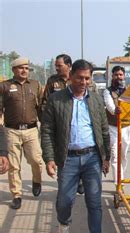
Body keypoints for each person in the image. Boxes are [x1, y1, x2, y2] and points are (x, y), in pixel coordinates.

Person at [41, 59, 110, 233]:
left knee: (95, 202)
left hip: (92, 158)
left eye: (87, 78)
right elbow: (47, 131)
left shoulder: (96, 100)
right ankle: (63, 223)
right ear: (70, 77)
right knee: (64, 200)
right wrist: (50, 158)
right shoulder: (56, 100)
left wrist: (105, 157)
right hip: (68, 159)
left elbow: (104, 130)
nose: (84, 82)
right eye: (80, 77)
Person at [0, 57, 44, 209]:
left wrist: (45, 124)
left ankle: (36, 181)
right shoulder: (4, 86)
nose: (24, 70)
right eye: (20, 68)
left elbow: (40, 107)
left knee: (36, 161)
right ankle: (16, 195)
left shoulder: (36, 85)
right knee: (14, 165)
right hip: (11, 130)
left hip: (31, 130)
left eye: (26, 68)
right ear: (13, 70)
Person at [41, 54, 85, 195]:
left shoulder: (77, 79)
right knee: (63, 154)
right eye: (56, 65)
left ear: (69, 66)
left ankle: (79, 180)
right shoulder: (52, 81)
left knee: (79, 150)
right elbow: (45, 102)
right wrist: (47, 120)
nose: (57, 68)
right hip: (59, 125)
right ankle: (65, 184)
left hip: (77, 124)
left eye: (59, 65)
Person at [103, 65, 130, 187]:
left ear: (124, 76)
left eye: (120, 75)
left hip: (126, 127)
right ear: (112, 76)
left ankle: (121, 176)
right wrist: (116, 110)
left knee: (123, 155)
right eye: (116, 75)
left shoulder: (129, 90)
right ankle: (118, 184)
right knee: (115, 156)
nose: (118, 77)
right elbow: (110, 108)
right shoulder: (107, 91)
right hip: (113, 127)